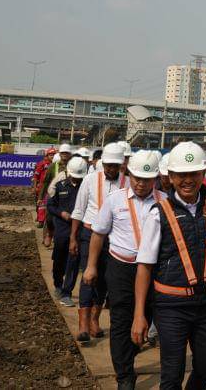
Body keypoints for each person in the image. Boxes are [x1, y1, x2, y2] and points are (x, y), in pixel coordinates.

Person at [130, 141, 206, 390]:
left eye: (194, 174)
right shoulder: (159, 213)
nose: (188, 180)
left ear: (202, 175)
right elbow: (144, 266)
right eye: (181, 175)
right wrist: (139, 314)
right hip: (171, 309)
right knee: (172, 374)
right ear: (171, 177)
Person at [85, 150, 164, 390]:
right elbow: (98, 234)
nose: (141, 184)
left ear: (155, 179)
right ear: (127, 174)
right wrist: (91, 266)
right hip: (121, 267)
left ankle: (127, 356)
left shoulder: (165, 201)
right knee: (121, 320)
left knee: (145, 317)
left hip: (152, 269)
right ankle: (125, 377)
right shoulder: (115, 200)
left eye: (147, 179)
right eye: (136, 178)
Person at [71, 142, 128, 342]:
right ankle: (83, 324)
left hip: (114, 238)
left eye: (115, 165)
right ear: (103, 163)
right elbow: (79, 209)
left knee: (105, 279)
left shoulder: (127, 183)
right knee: (89, 276)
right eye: (108, 165)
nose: (111, 169)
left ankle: (95, 319)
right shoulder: (89, 180)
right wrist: (73, 238)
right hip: (90, 234)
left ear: (121, 165)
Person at [47, 156, 86, 307]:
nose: (76, 179)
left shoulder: (86, 186)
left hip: (79, 229)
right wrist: (61, 213)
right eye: (74, 176)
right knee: (59, 259)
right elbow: (51, 205)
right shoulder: (60, 186)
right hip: (62, 229)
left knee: (74, 260)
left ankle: (67, 292)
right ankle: (58, 284)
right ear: (69, 173)